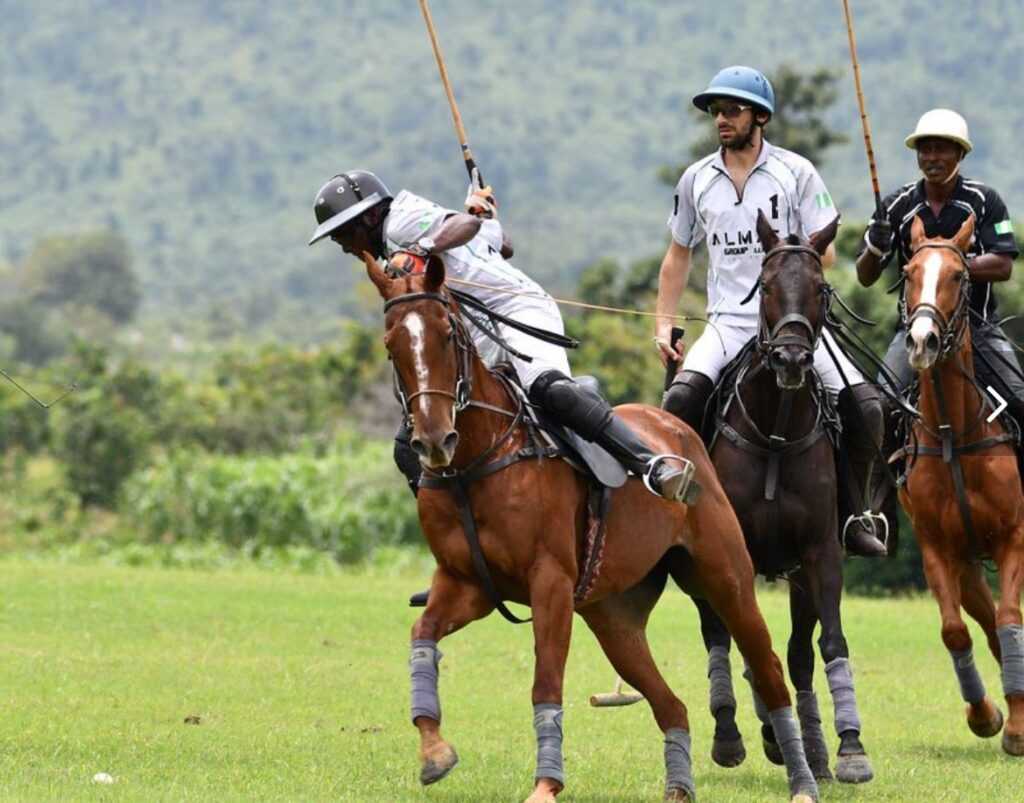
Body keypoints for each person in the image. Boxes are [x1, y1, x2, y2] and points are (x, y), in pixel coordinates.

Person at [308, 169, 696, 502]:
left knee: (548, 389)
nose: (341, 245)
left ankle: (649, 464)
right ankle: (460, 555)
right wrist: (484, 215)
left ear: (370, 216)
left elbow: (463, 227)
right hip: (476, 336)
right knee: (409, 447)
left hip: (520, 311)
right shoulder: (393, 243)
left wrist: (428, 244)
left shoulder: (401, 222)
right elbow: (498, 241)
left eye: (341, 232)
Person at [656, 65, 888, 557]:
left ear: (759, 116)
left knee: (866, 407)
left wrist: (789, 250)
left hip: (795, 325)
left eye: (732, 110)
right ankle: (679, 515)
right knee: (678, 402)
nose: (722, 118)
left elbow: (826, 253)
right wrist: (663, 324)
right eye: (717, 111)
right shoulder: (696, 179)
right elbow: (679, 255)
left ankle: (853, 514)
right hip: (728, 323)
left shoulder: (797, 171)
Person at [856, 108, 1024, 493]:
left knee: (1018, 398)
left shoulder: (986, 201)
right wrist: (874, 245)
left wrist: (944, 261)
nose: (931, 157)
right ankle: (877, 507)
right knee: (879, 407)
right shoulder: (897, 207)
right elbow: (866, 276)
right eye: (925, 150)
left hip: (978, 331)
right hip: (913, 331)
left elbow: (1002, 264)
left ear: (959, 155)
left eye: (941, 150)